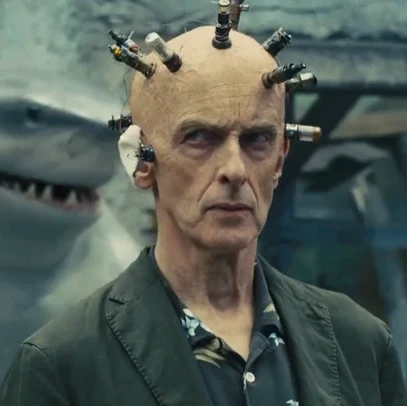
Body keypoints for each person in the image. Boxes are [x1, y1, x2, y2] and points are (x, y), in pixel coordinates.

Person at [1, 24, 406, 406]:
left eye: (257, 140)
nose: (235, 170)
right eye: (199, 137)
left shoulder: (361, 344)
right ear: (140, 161)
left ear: (280, 160)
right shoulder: (61, 366)